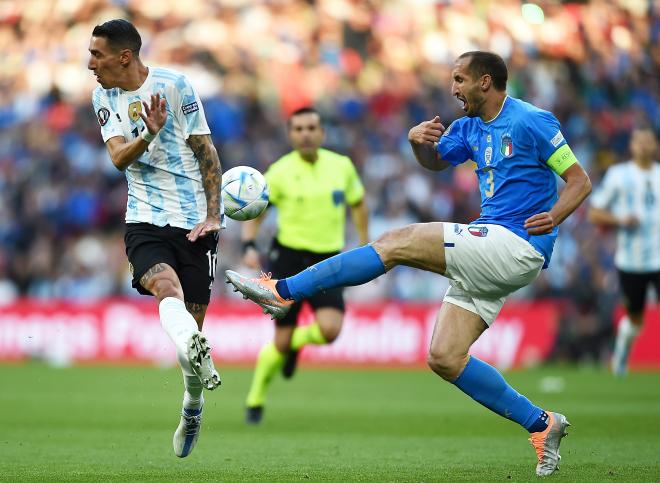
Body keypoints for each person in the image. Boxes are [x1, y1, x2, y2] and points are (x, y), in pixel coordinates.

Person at [226, 51, 592, 476]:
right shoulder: (469, 127)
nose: (453, 89)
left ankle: (282, 292)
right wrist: (419, 145)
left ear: (485, 82)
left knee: (396, 242)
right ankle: (542, 424)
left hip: (516, 243)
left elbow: (579, 181)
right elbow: (436, 161)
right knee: (444, 357)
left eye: (459, 80)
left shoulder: (532, 120)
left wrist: (555, 215)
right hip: (492, 246)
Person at [88, 19, 223, 458]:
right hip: (144, 219)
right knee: (164, 287)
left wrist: (213, 214)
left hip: (193, 224)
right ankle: (194, 355)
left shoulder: (176, 85)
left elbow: (205, 149)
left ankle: (192, 404)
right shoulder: (103, 96)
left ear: (124, 56)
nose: (91, 64)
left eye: (97, 54)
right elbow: (117, 159)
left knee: (190, 341)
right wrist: (148, 132)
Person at [240, 107, 369, 424]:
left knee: (330, 330)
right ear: (291, 135)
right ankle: (255, 398)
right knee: (280, 343)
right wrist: (249, 245)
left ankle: (296, 344)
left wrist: (366, 243)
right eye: (298, 129)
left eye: (312, 127)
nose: (306, 134)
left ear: (322, 133)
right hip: (289, 259)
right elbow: (257, 210)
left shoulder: (342, 167)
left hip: (329, 260)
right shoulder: (280, 171)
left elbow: (359, 204)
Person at [588, 128, 659, 376]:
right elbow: (594, 211)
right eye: (639, 140)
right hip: (632, 261)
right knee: (636, 319)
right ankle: (622, 352)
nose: (644, 145)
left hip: (658, 258)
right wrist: (620, 220)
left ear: (655, 145)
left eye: (649, 140)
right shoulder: (619, 175)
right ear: (632, 145)